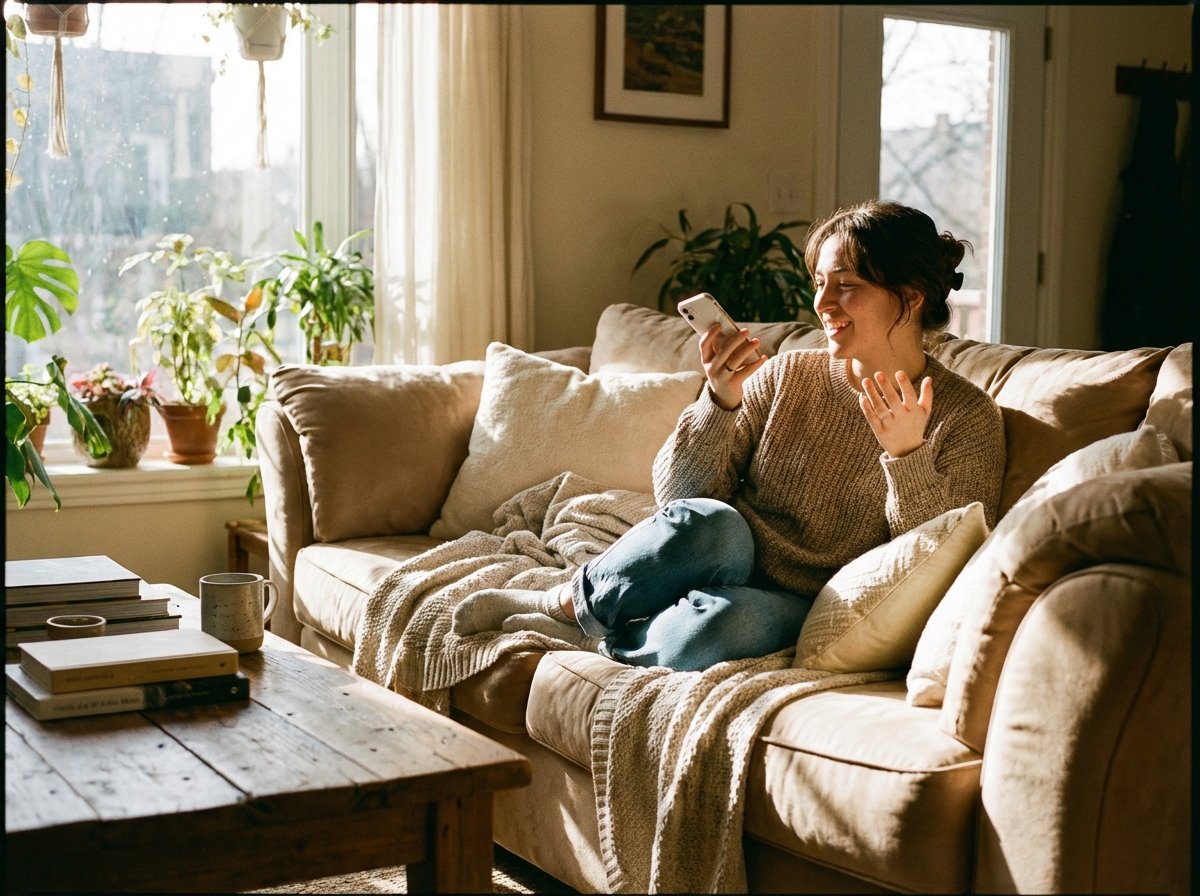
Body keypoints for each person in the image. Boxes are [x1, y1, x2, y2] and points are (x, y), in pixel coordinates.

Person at [454, 200, 1006, 671]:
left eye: (847, 286)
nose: (823, 305)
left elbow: (936, 566)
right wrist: (718, 400)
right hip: (726, 553)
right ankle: (564, 605)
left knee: (728, 626)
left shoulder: (967, 418)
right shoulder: (788, 374)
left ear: (909, 298)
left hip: (809, 599)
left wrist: (907, 455)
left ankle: (602, 642)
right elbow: (679, 503)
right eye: (819, 284)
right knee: (718, 526)